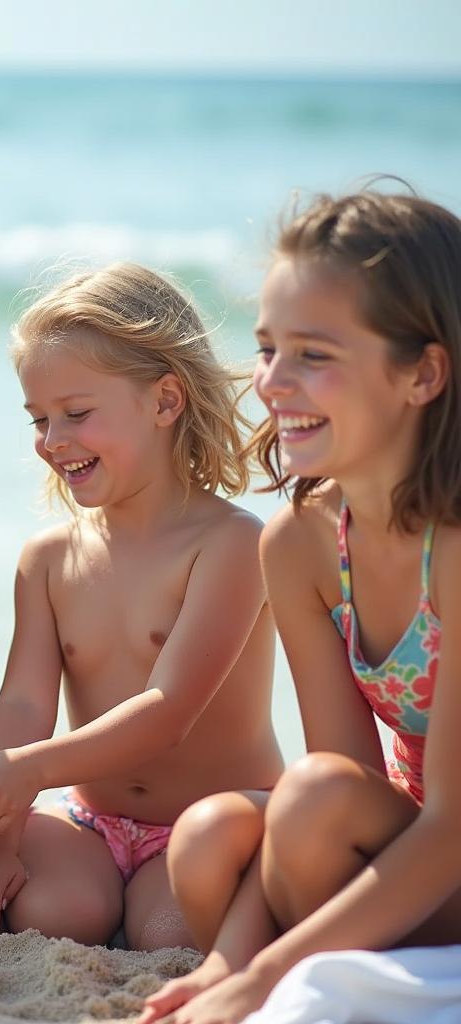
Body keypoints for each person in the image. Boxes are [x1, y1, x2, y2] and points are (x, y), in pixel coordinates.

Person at [139, 189, 461, 1024]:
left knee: (313, 803)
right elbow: (336, 783)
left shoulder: (456, 548)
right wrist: (226, 966)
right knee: (210, 836)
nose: (272, 383)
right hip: (406, 845)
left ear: (423, 373)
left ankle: (308, 983)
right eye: (267, 347)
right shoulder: (302, 545)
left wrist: (258, 976)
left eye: (313, 355)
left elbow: (449, 829)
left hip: (448, 846)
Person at [0, 263, 282, 949]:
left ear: (165, 400)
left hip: (214, 819)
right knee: (9, 912)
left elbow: (168, 712)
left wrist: (29, 771)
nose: (53, 439)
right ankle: (87, 885)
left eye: (77, 414)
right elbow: (24, 705)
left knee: (165, 930)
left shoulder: (231, 544)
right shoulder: (49, 559)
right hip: (93, 819)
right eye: (39, 419)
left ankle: (167, 897)